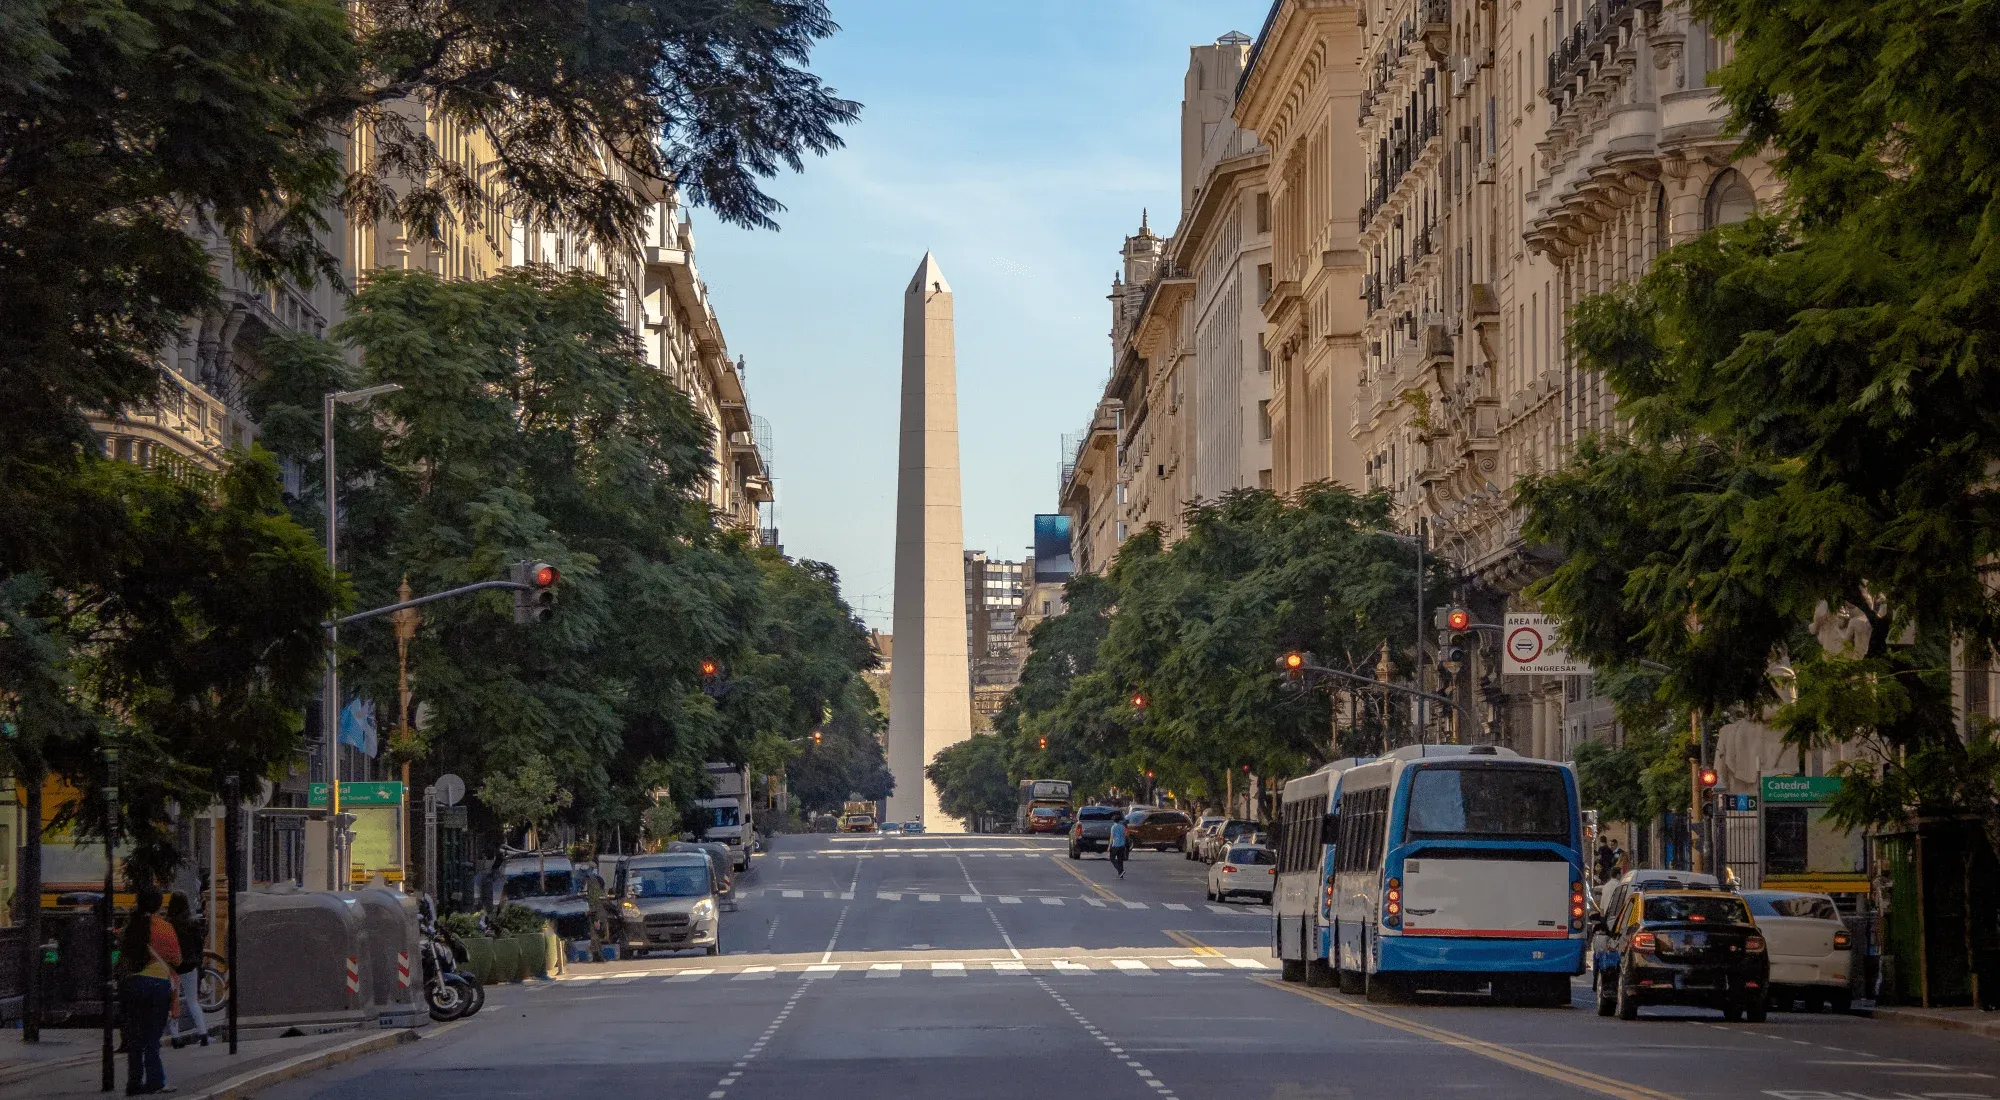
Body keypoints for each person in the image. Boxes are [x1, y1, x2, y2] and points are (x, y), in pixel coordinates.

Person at [118, 887, 180, 1095]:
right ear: (159, 905)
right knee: (152, 1037)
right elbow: (177, 959)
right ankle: (155, 1080)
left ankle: (133, 1082)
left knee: (135, 1037)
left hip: (133, 983)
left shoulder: (130, 926)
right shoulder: (165, 928)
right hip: (157, 984)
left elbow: (123, 951)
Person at [165, 893, 208, 1048]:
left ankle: (175, 1037)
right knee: (193, 1001)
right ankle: (203, 1034)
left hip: (172, 967)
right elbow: (198, 947)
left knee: (172, 1001)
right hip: (190, 966)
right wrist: (200, 966)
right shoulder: (192, 923)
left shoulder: (168, 924)